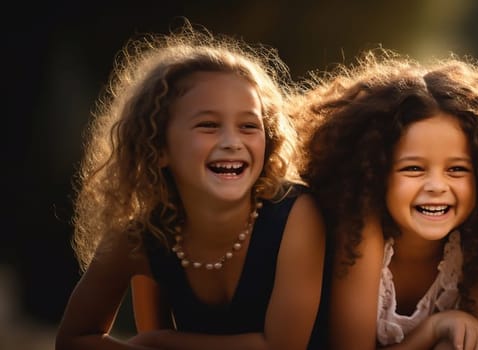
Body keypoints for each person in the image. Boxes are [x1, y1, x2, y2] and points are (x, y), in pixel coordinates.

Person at [56, 21, 327, 350]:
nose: (232, 142)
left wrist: (162, 341)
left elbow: (282, 346)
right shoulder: (138, 234)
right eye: (208, 125)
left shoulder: (297, 215)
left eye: (248, 126)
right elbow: (73, 338)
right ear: (158, 148)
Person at [296, 48, 478, 350]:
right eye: (413, 168)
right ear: (374, 171)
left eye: (456, 169)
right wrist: (433, 329)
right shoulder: (361, 233)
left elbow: (476, 344)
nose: (436, 186)